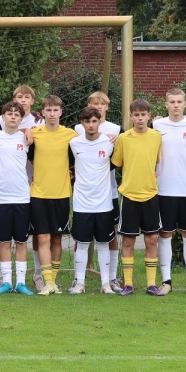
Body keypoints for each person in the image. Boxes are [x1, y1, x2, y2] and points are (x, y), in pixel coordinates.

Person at [151, 88, 186, 294]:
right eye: (172, 102)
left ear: (185, 104)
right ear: (166, 105)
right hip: (164, 189)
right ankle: (166, 281)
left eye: (179, 102)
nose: (175, 105)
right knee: (165, 234)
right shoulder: (156, 125)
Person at [110, 99, 163, 296]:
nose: (140, 118)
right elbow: (117, 162)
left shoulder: (157, 137)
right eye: (136, 115)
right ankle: (128, 284)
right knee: (129, 241)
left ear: (149, 116)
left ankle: (151, 284)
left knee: (151, 240)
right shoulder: (124, 138)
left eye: (143, 115)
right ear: (131, 116)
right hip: (130, 195)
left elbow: (157, 161)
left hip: (150, 194)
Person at [28, 95, 77, 295]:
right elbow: (29, 158)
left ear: (61, 112)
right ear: (43, 112)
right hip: (39, 193)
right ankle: (47, 281)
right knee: (43, 237)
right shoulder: (34, 134)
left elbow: (78, 159)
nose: (52, 114)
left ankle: (54, 281)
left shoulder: (71, 135)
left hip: (62, 193)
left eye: (55, 110)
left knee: (57, 238)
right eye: (48, 110)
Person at [75, 91, 122, 291]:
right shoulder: (73, 139)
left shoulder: (114, 135)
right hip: (82, 201)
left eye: (102, 104)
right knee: (81, 242)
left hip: (107, 196)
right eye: (95, 103)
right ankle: (79, 281)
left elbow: (124, 158)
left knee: (108, 240)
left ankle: (109, 281)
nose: (91, 124)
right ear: (83, 123)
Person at [0, 102, 34, 295]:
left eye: (17, 114)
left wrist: (28, 130)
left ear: (21, 118)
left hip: (22, 196)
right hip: (1, 197)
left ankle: (21, 282)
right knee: (4, 241)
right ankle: (6, 281)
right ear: (3, 117)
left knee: (22, 241)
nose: (13, 116)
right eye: (10, 113)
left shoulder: (27, 138)